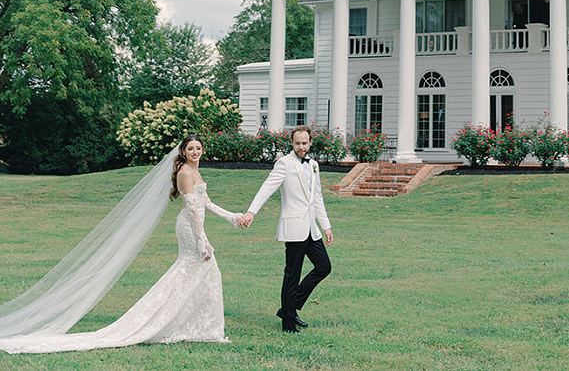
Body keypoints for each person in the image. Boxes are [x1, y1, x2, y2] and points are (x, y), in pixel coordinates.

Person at [0, 135, 242, 354]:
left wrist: (232, 217)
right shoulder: (185, 173)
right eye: (191, 148)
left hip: (196, 225)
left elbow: (205, 203)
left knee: (203, 274)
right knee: (197, 271)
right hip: (190, 228)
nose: (195, 152)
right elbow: (192, 210)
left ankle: (201, 327)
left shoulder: (195, 172)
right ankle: (190, 325)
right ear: (183, 151)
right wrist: (202, 240)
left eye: (198, 148)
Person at [239, 125, 333, 333]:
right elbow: (267, 188)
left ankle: (288, 308)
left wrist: (326, 225)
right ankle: (288, 324)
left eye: (304, 143)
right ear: (292, 143)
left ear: (310, 143)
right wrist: (251, 212)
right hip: (293, 227)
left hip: (311, 228)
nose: (301, 147)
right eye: (297, 143)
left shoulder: (314, 165)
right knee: (292, 274)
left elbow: (317, 198)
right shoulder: (284, 164)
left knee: (324, 266)